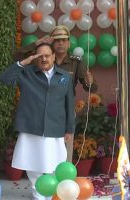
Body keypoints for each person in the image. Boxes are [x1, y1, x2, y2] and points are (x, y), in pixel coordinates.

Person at [0, 43, 75, 200]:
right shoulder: (27, 73)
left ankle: (53, 193)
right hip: (31, 127)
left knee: (55, 163)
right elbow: (5, 79)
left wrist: (69, 129)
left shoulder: (65, 76)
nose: (44, 59)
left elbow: (69, 104)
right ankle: (38, 194)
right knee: (33, 163)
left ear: (54, 56)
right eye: (40, 56)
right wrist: (23, 63)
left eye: (47, 55)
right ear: (34, 58)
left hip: (55, 127)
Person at [14, 25, 98, 162]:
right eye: (57, 40)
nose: (60, 43)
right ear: (51, 42)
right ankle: (43, 176)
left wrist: (90, 82)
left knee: (64, 149)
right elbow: (17, 56)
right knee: (42, 148)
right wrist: (38, 43)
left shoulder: (76, 62)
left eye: (64, 40)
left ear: (69, 43)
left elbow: (91, 88)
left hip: (64, 109)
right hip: (41, 109)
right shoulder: (42, 58)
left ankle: (65, 179)